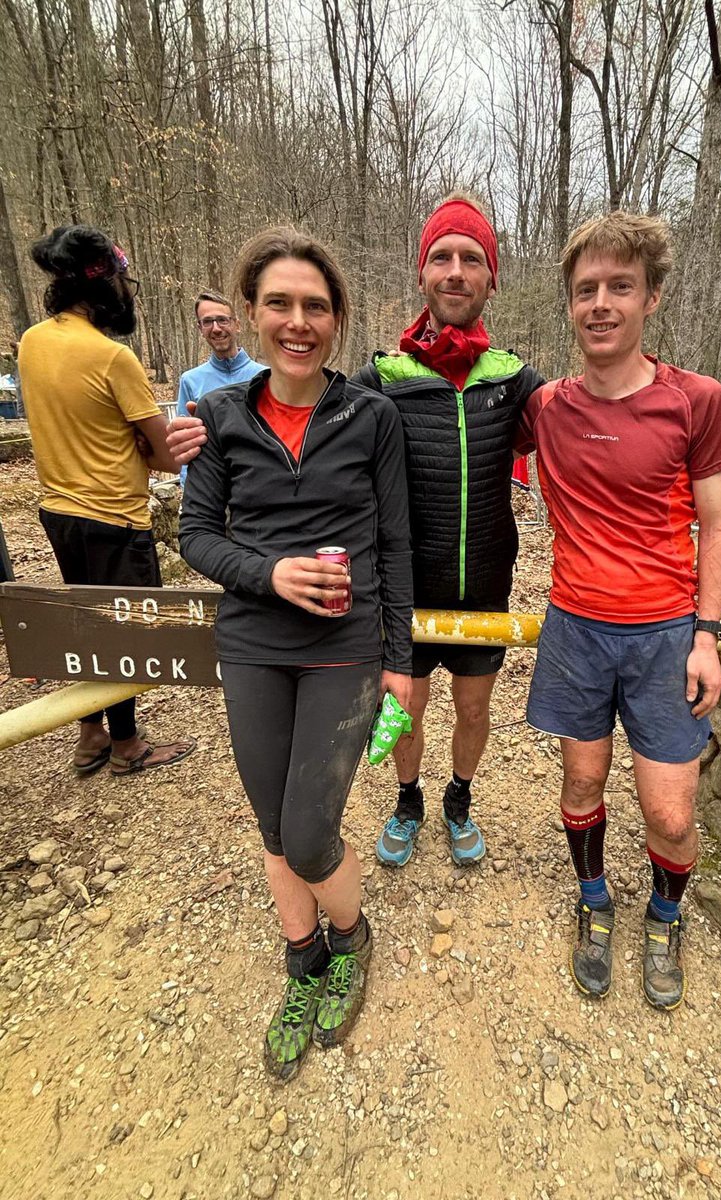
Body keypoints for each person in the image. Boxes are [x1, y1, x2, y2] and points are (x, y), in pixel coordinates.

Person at [168, 195, 543, 870]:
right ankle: (408, 800)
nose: (455, 272)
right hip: (402, 594)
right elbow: (308, 410)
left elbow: (584, 430)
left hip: (486, 582)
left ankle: (459, 798)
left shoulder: (515, 381)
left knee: (476, 710)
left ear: (493, 278)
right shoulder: (381, 380)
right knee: (406, 711)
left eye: (472, 259)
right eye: (441, 257)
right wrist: (209, 434)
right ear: (421, 275)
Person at [178, 228, 413, 1077]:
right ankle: (302, 958)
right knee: (273, 823)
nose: (298, 321)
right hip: (251, 646)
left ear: (338, 318)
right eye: (279, 303)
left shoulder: (371, 415)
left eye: (316, 305)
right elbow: (196, 535)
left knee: (312, 831)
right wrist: (268, 573)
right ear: (250, 313)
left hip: (344, 649)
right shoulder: (218, 417)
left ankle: (351, 937)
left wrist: (399, 659)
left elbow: (394, 544)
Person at [517, 212, 721, 1011]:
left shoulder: (697, 400)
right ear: (569, 304)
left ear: (651, 298)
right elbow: (452, 428)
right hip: (576, 626)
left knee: (672, 815)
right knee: (581, 779)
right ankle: (594, 898)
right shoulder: (543, 406)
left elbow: (720, 524)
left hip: (664, 635)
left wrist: (707, 636)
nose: (601, 303)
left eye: (620, 287)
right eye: (586, 290)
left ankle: (667, 912)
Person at [17, 225, 194, 777]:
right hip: (114, 515)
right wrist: (141, 446)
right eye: (123, 281)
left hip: (58, 512)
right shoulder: (111, 358)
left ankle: (90, 733)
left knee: (89, 623)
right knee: (128, 631)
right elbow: (168, 456)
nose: (128, 292)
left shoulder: (31, 342)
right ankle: (127, 744)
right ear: (103, 285)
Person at [175, 290, 262, 483]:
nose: (216, 328)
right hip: (211, 487)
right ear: (200, 328)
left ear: (237, 324)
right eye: (207, 322)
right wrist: (187, 486)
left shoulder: (266, 376)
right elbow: (185, 443)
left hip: (259, 484)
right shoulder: (190, 381)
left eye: (222, 320)